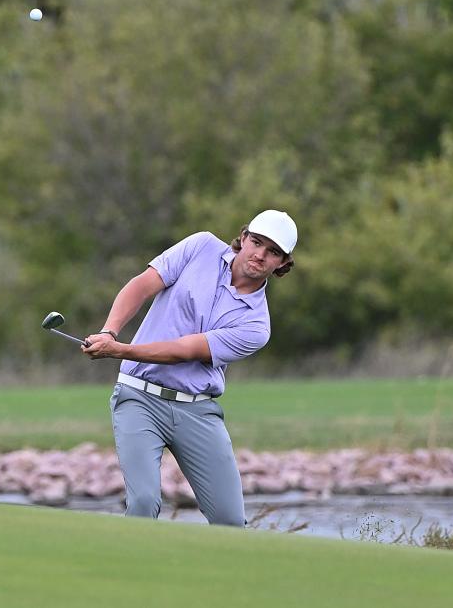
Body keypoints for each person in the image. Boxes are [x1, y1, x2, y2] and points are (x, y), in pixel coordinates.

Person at [82, 209, 298, 526]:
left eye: (273, 252)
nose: (260, 255)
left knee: (230, 520)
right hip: (139, 398)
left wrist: (120, 351)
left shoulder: (256, 325)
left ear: (282, 264)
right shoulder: (201, 246)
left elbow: (184, 350)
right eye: (256, 242)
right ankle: (129, 572)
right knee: (143, 502)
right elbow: (143, 285)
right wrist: (108, 332)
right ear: (243, 237)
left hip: (197, 412)